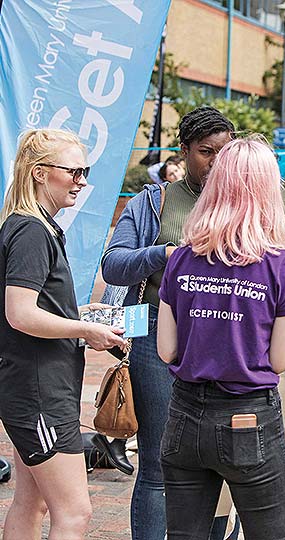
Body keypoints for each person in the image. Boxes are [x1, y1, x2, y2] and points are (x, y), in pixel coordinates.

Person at [157, 136, 285, 540]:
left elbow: (166, 348)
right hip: (249, 417)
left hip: (184, 415)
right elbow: (279, 361)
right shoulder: (282, 267)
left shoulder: (182, 259)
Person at [101, 106, 238, 540]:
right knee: (161, 458)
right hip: (159, 335)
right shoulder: (152, 201)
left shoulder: (244, 206)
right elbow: (113, 264)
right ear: (183, 151)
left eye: (225, 152)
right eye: (205, 151)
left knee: (221, 457)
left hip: (226, 340)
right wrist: (163, 254)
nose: (216, 161)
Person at [0, 129, 127, 540]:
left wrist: (79, 315)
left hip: (33, 385)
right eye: (74, 171)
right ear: (39, 173)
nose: (82, 180)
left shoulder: (30, 226)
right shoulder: (32, 230)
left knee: (31, 501)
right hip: (39, 391)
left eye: (84, 171)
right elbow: (19, 313)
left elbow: (31, 307)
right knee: (74, 512)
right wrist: (85, 328)